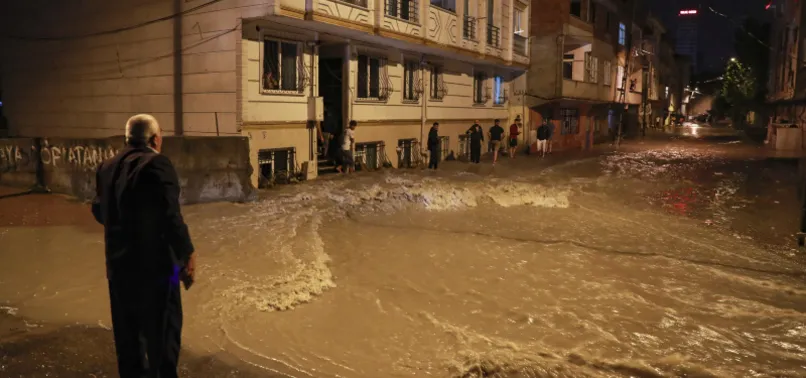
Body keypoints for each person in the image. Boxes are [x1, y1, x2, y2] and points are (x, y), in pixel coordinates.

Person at [91, 114, 196, 378]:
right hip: (157, 272)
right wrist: (187, 254)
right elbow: (170, 215)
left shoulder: (106, 167)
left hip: (118, 270)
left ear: (128, 138)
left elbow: (99, 211)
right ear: (154, 139)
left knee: (128, 345)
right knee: (163, 340)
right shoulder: (157, 163)